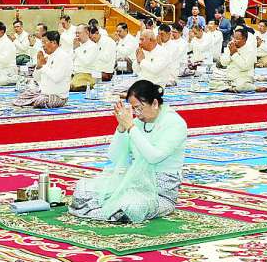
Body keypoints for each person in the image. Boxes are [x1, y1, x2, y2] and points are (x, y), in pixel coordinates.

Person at [69, 80, 188, 224]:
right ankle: (108, 211)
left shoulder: (175, 123)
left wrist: (131, 128)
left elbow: (153, 157)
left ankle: (100, 211)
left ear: (155, 103)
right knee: (82, 191)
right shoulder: (137, 123)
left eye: (139, 108)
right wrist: (121, 128)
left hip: (160, 192)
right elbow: (114, 156)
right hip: (134, 182)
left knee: (131, 207)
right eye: (133, 109)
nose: (136, 113)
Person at [14, 30, 72, 108]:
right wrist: (38, 66)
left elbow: (57, 78)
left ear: (54, 43)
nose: (43, 46)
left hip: (58, 96)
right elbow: (36, 78)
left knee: (41, 101)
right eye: (42, 43)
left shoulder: (63, 57)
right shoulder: (48, 56)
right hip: (43, 93)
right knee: (23, 96)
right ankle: (33, 101)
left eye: (45, 42)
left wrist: (43, 66)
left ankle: (33, 102)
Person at [211, 27, 267, 93]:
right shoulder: (231, 46)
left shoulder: (250, 50)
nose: (234, 40)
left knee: (241, 86)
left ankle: (254, 88)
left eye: (237, 39)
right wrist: (230, 53)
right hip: (230, 77)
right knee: (212, 83)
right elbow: (223, 63)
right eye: (233, 38)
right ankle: (231, 88)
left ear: (244, 39)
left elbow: (245, 67)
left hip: (243, 77)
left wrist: (234, 54)